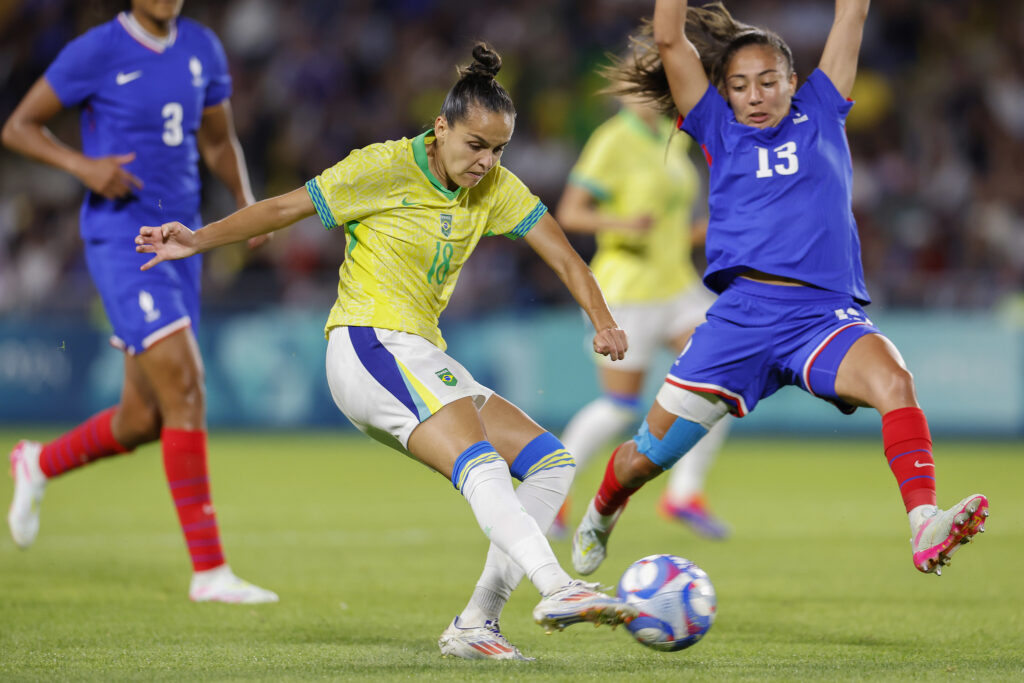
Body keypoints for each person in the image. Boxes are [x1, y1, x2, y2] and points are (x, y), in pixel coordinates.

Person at [136, 43, 637, 660]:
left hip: (421, 353)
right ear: (441, 128)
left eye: (499, 148)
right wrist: (197, 241)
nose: (486, 161)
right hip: (366, 344)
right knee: (478, 458)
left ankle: (477, 624)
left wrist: (604, 320)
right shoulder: (381, 167)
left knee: (550, 464)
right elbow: (284, 206)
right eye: (475, 145)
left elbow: (564, 255)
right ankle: (557, 585)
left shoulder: (496, 189)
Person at [570, 0, 989, 579]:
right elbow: (670, 42)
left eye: (769, 81)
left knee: (895, 380)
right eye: (741, 86)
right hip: (742, 319)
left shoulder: (822, 107)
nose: (756, 95)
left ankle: (925, 524)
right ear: (727, 93)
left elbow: (852, 15)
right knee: (645, 459)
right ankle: (601, 510)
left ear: (794, 81)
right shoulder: (717, 125)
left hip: (822, 316)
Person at [2, 0, 277, 603]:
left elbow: (217, 140)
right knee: (186, 385)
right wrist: (82, 166)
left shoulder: (202, 45)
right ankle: (209, 572)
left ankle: (37, 463)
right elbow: (18, 126)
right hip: (123, 240)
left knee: (143, 418)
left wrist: (246, 204)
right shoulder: (98, 48)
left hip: (182, 242)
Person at [553, 90, 730, 541]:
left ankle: (684, 494)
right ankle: (553, 493)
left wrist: (701, 232)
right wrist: (622, 226)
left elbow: (669, 222)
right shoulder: (612, 139)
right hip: (627, 289)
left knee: (722, 376)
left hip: (676, 284)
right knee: (619, 408)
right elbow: (570, 213)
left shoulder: (674, 139)